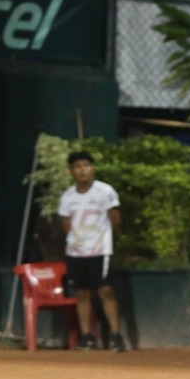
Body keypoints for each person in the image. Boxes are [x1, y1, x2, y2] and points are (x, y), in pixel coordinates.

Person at [57, 151, 125, 352]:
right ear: (71, 172)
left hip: (100, 250)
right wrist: (78, 241)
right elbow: (66, 224)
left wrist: (99, 238)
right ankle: (85, 336)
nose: (83, 170)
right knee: (82, 292)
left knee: (105, 290)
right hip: (76, 252)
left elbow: (115, 220)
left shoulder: (105, 192)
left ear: (92, 168)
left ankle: (115, 336)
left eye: (86, 165)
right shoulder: (67, 197)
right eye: (78, 167)